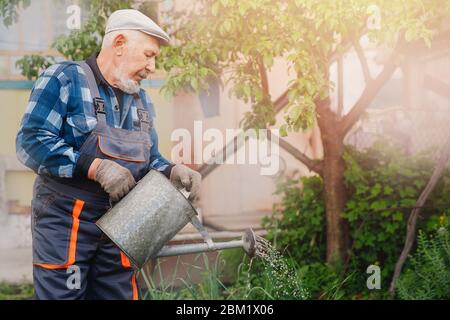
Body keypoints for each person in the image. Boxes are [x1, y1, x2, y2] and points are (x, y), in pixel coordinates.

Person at [15, 9, 201, 300]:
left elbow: (148, 157)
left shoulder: (141, 101)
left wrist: (172, 171)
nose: (152, 67)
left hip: (122, 223)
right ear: (119, 44)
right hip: (67, 219)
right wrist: (95, 167)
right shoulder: (65, 79)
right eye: (149, 54)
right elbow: (31, 142)